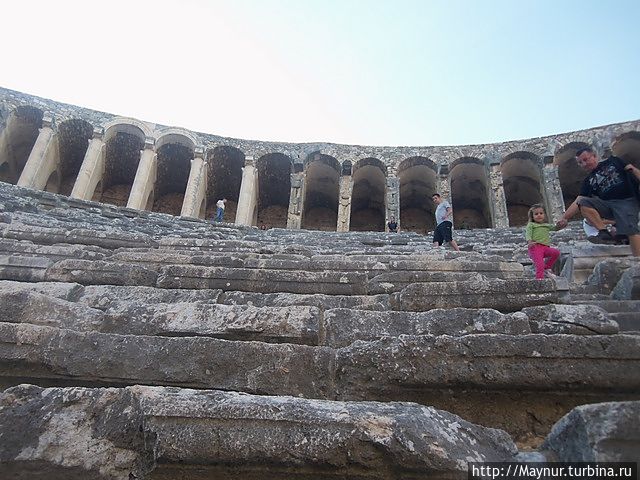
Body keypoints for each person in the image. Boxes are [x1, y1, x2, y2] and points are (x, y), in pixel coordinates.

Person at [556, 146, 640, 256]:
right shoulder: (588, 180)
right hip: (609, 205)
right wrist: (565, 218)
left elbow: (631, 169)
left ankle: (637, 260)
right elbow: (579, 199)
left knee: (630, 230)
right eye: (580, 163)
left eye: (586, 159)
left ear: (594, 156)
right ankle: (603, 232)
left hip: (626, 200)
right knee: (584, 203)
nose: (584, 164)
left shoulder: (613, 162)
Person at [525, 204, 561, 280]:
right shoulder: (531, 225)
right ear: (532, 216)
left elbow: (555, 228)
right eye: (536, 214)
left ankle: (547, 268)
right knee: (540, 264)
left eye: (541, 213)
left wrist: (561, 224)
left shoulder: (546, 225)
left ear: (544, 214)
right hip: (535, 247)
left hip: (545, 247)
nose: (539, 215)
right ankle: (539, 280)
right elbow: (528, 234)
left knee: (556, 253)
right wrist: (529, 241)